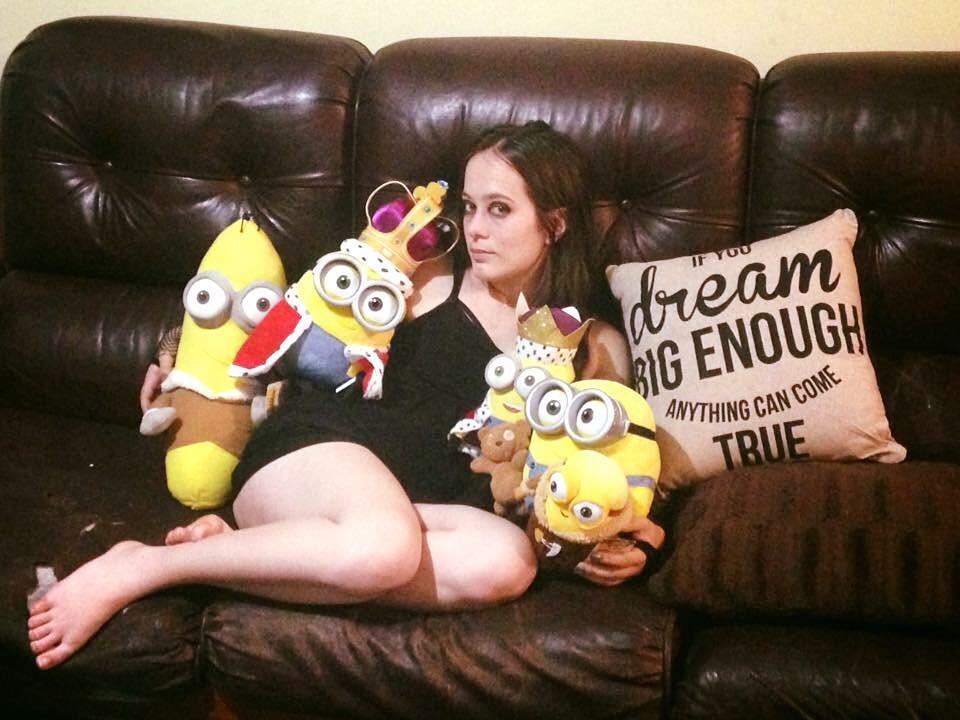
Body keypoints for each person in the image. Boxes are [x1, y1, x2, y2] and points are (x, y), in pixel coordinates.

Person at [27, 120, 665, 670]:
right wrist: (174, 349)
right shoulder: (428, 272)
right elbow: (291, 304)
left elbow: (621, 469)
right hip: (315, 453)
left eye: (499, 210)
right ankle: (142, 565)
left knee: (508, 562)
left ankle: (269, 553)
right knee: (385, 545)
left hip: (412, 516)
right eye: (470, 207)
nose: (475, 229)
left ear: (554, 223)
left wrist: (641, 542)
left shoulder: (593, 345)